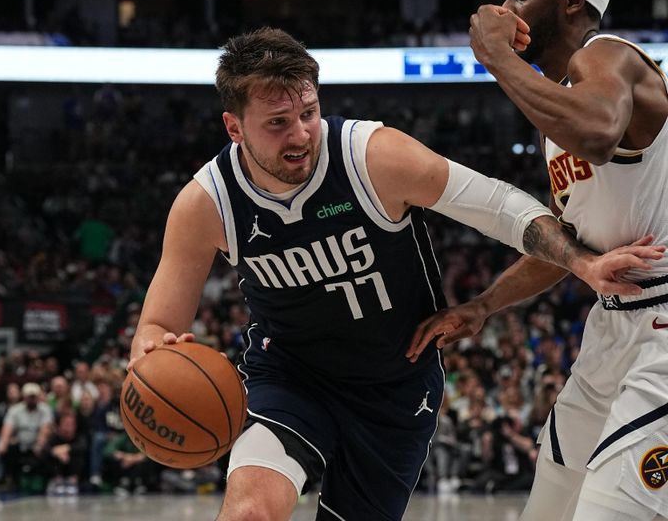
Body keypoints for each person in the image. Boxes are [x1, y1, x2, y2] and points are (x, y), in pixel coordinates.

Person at [127, 27, 663, 521]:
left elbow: (501, 207)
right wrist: (154, 352)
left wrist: (582, 263)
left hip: (396, 387)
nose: (301, 134)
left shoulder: (373, 156)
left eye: (308, 113)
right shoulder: (205, 204)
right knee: (250, 512)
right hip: (291, 377)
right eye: (277, 123)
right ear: (234, 127)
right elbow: (155, 325)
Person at [407, 0, 668, 521]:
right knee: (548, 506)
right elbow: (569, 243)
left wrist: (499, 58)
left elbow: (599, 133)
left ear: (573, 2)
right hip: (611, 331)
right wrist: (485, 305)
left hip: (663, 331)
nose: (506, 11)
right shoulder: (561, 113)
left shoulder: (609, 55)